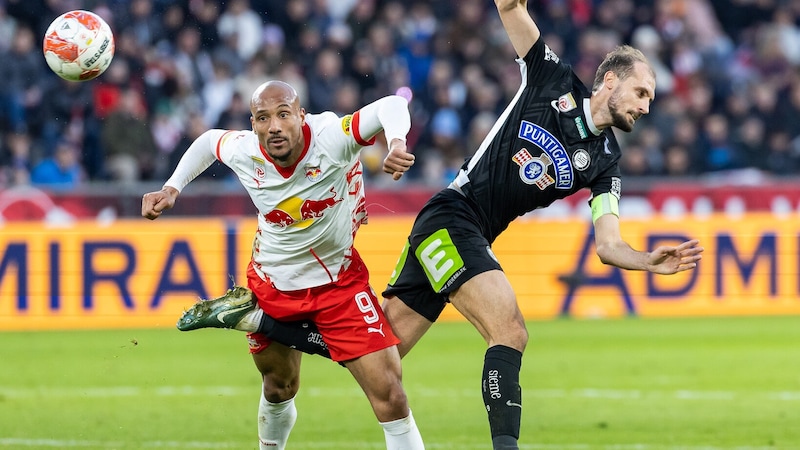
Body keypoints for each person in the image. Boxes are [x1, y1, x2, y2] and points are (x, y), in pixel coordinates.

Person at [178, 1, 705, 449]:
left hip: (464, 230)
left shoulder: (607, 162)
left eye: (650, 100)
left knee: (381, 354)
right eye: (641, 93)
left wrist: (647, 260)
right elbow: (510, 7)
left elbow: (608, 246)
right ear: (609, 81)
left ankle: (261, 322)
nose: (646, 106)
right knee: (510, 330)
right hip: (453, 217)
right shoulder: (550, 76)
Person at [141, 80, 424, 450]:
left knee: (391, 396)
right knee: (279, 387)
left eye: (282, 115)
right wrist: (172, 187)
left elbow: (390, 105)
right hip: (272, 283)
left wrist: (397, 141)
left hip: (339, 286)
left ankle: (251, 318)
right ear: (253, 125)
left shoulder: (330, 137)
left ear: (301, 117)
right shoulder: (246, 151)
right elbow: (210, 141)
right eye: (262, 118)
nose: (273, 126)